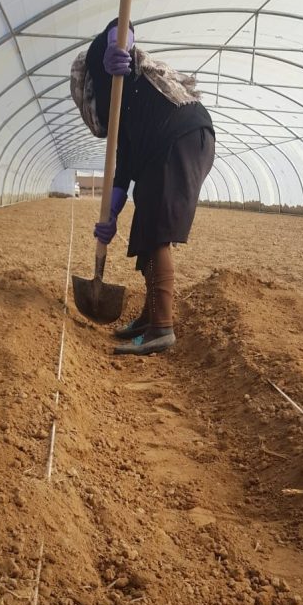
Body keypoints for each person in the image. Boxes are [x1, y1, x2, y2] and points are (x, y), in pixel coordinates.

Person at [70, 20, 216, 355]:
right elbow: (125, 160)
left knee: (156, 230)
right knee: (145, 224)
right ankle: (150, 317)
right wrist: (112, 213)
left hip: (179, 138)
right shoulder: (117, 106)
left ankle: (161, 328)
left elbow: (121, 24)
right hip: (170, 144)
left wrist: (113, 47)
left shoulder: (110, 75)